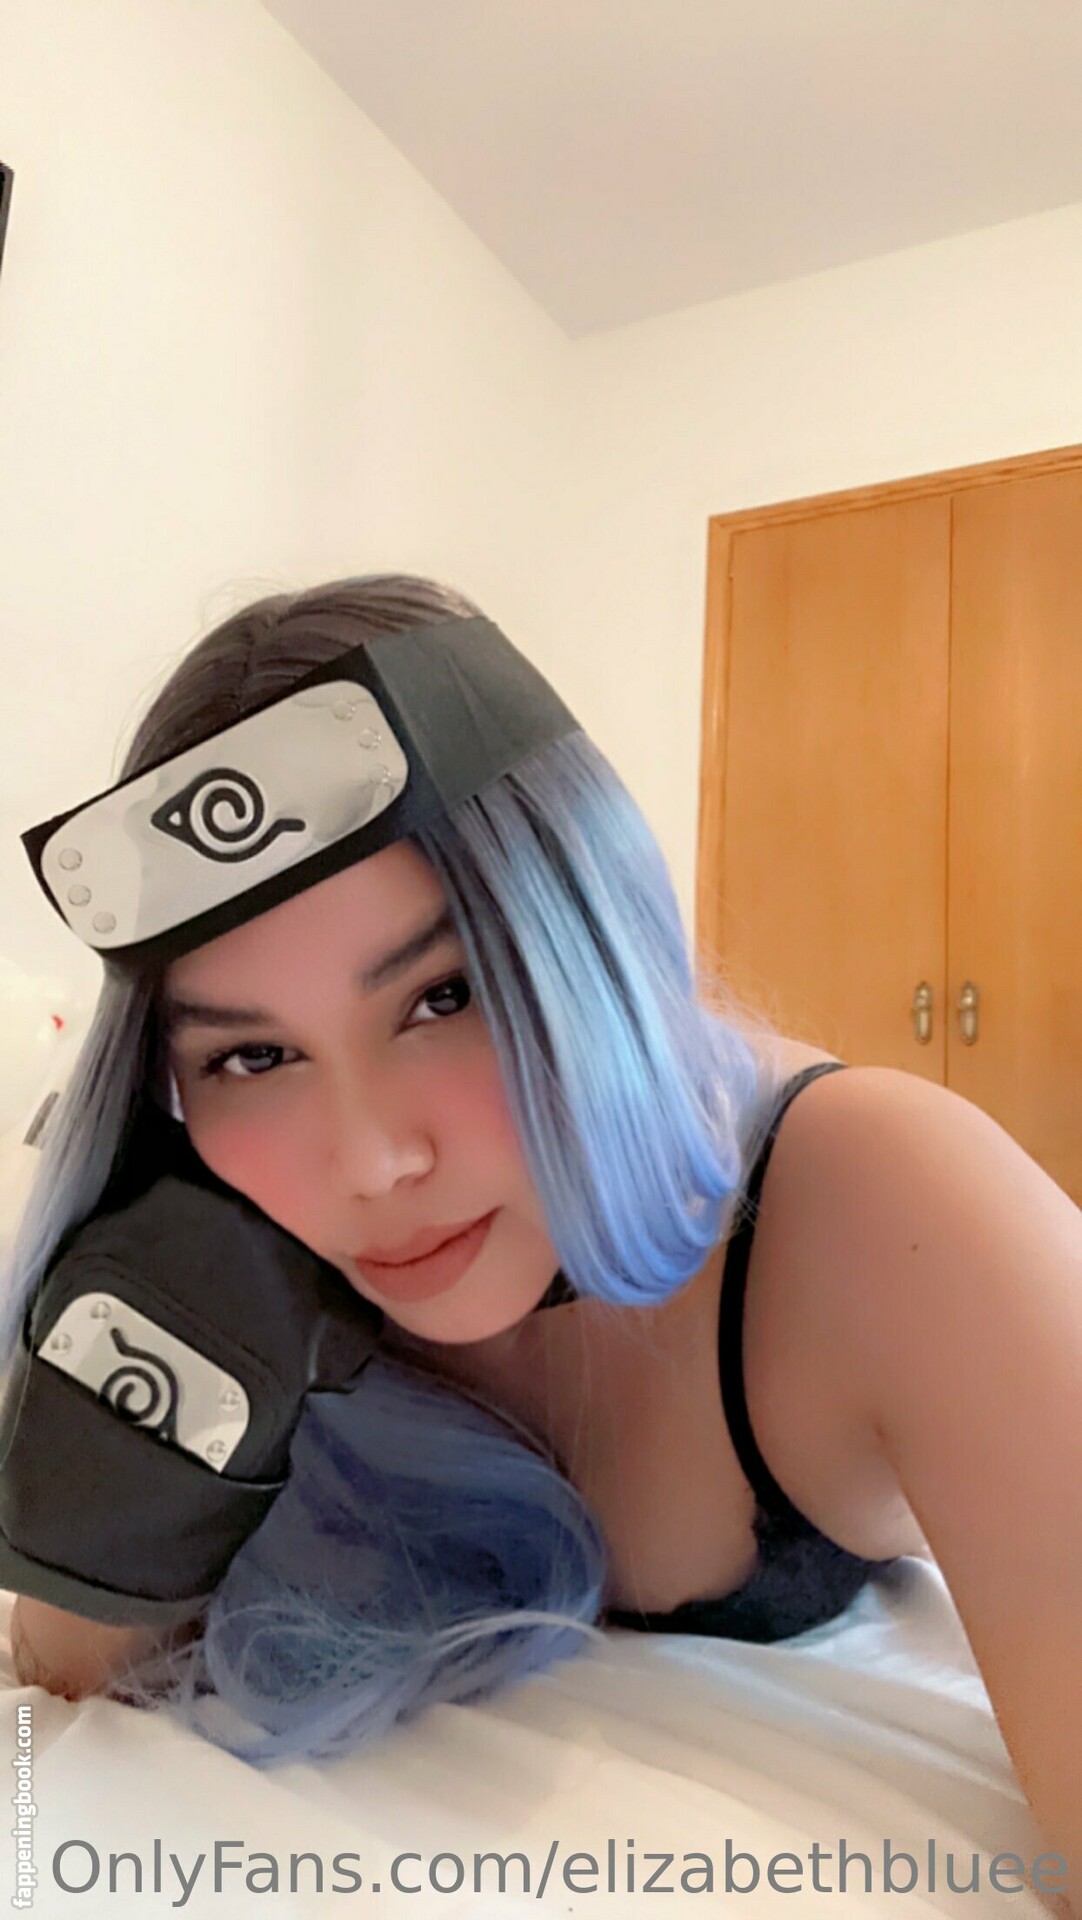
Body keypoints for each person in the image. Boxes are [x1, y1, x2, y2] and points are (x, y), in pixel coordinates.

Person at [1, 577, 1078, 1897]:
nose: (372, 1162)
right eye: (253, 1056)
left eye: (442, 995)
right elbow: (58, 1677)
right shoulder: (234, 1253)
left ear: (592, 943)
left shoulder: (883, 1204)